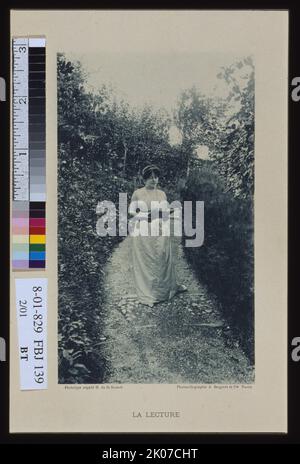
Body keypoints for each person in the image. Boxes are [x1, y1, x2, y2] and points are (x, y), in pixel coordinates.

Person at [128, 164, 187, 307]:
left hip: (160, 229)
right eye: (151, 178)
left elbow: (165, 211)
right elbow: (131, 211)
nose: (154, 180)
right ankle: (149, 292)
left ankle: (166, 288)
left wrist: (170, 211)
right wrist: (143, 215)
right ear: (145, 179)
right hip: (144, 230)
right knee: (147, 260)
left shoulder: (161, 194)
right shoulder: (138, 193)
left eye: (156, 177)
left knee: (162, 257)